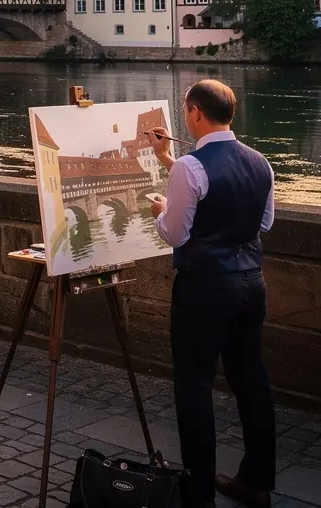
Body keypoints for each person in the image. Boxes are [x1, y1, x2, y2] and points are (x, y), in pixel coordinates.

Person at [149, 80, 276, 508]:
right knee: (252, 382)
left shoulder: (191, 166)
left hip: (204, 288)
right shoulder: (260, 162)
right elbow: (264, 223)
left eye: (186, 110)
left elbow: (175, 233)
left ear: (196, 113)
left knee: (194, 386)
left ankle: (199, 495)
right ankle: (256, 483)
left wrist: (161, 211)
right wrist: (166, 159)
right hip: (250, 285)